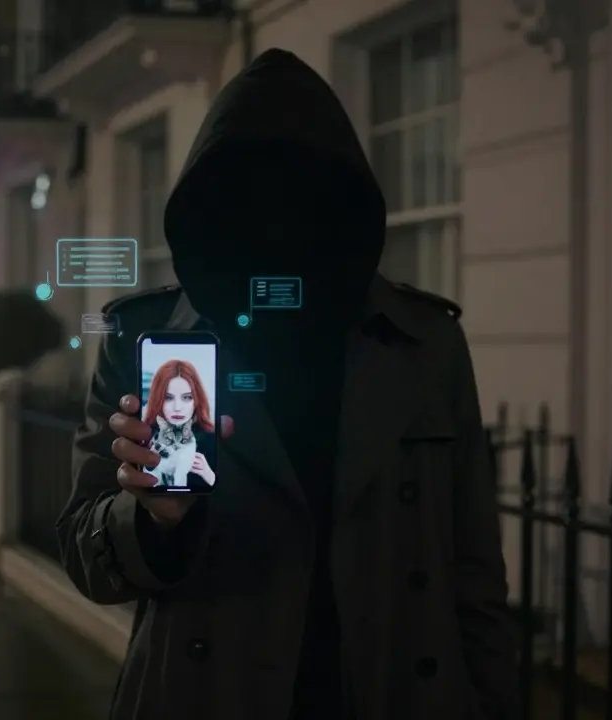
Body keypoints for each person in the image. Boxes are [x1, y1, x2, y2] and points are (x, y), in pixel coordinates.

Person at [58, 48, 519, 720]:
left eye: (301, 198)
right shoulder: (145, 337)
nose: (276, 225)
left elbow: (476, 574)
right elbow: (83, 551)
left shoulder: (426, 342)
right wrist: (154, 520)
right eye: (247, 199)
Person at [142, 359, 217, 489]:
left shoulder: (211, 440)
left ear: (197, 400)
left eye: (187, 397)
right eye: (168, 398)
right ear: (158, 399)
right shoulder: (145, 435)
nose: (177, 407)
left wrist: (209, 475)